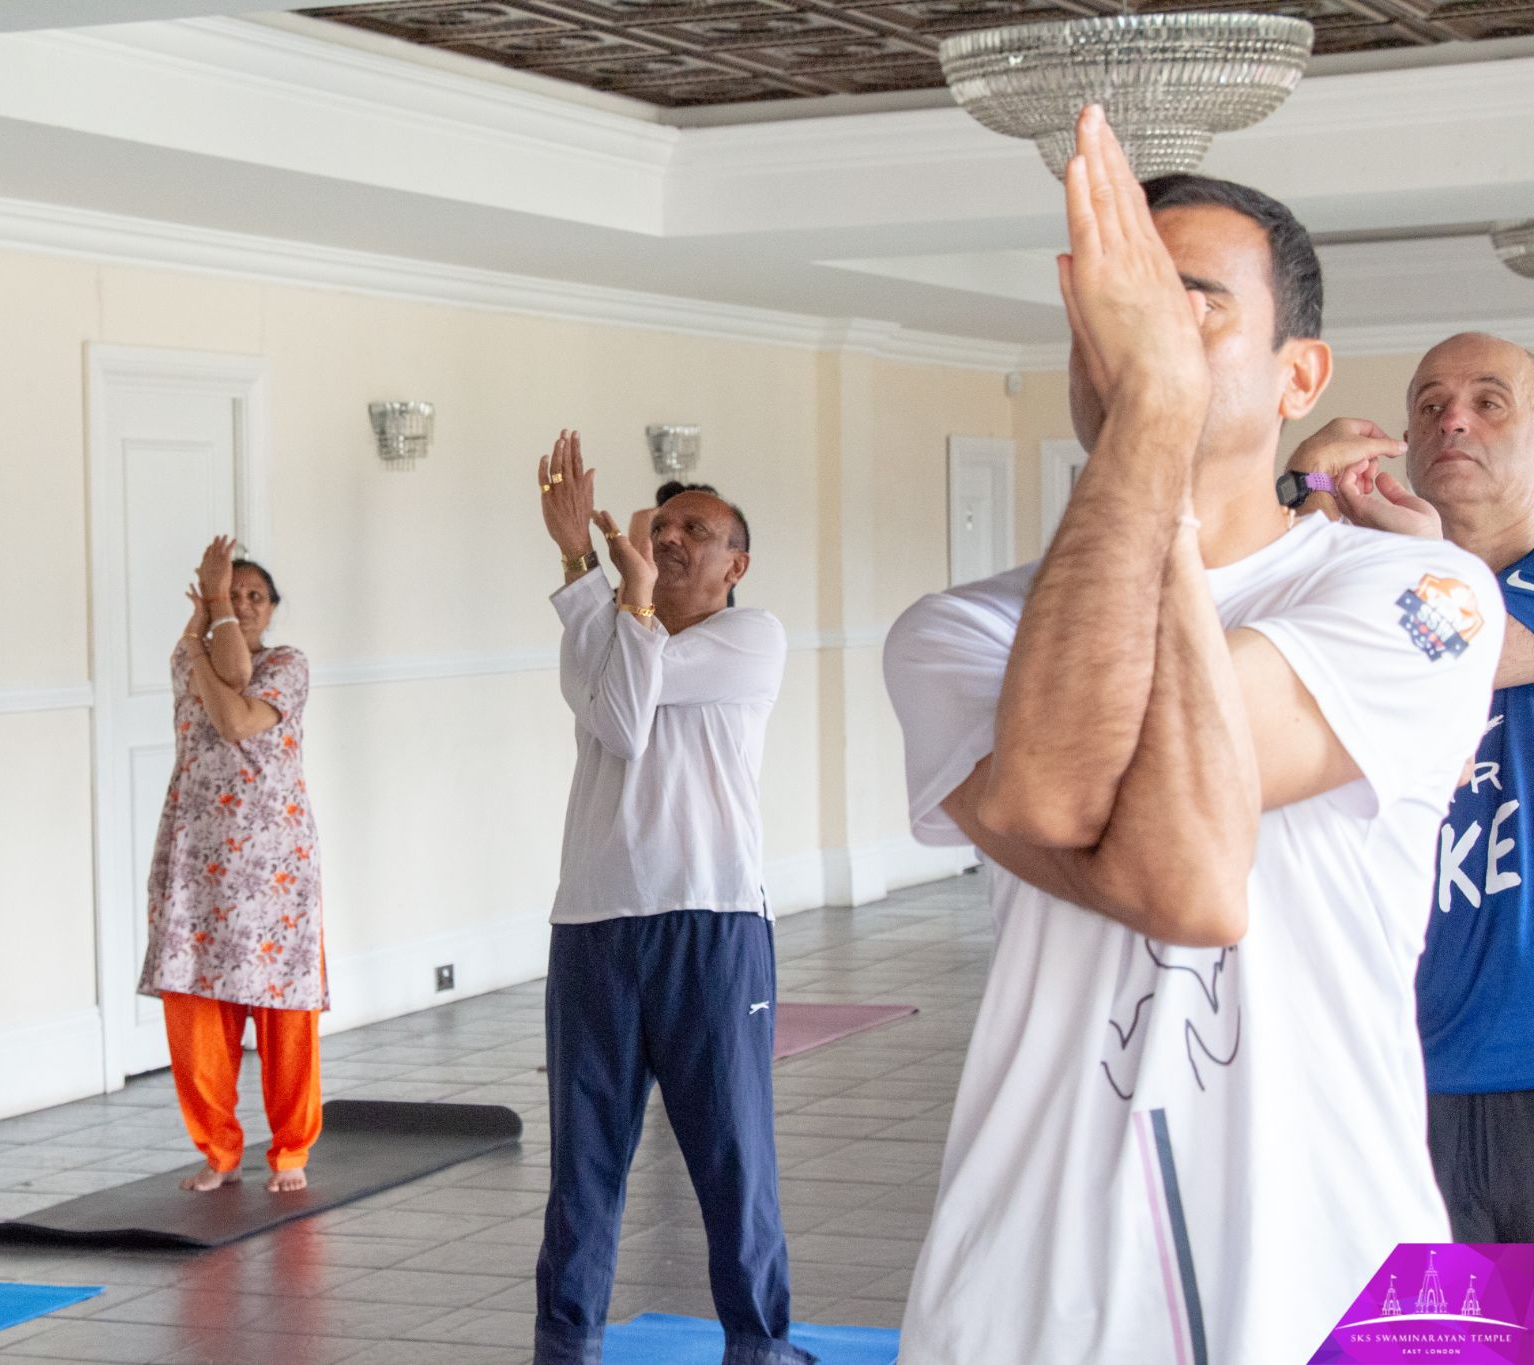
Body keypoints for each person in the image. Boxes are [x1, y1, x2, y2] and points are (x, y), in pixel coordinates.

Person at [882, 110, 1501, 1364]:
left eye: (1191, 306)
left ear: (1298, 377)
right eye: (1115, 309)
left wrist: (1149, 425)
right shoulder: (952, 633)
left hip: (1349, 1261)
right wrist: (1155, 431)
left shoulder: (1424, 596)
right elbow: (1073, 806)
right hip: (1029, 1280)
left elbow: (1183, 876)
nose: (1136, 339)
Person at [531, 432, 810, 1365]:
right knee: (583, 1167)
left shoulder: (751, 638)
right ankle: (566, 1345)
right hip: (594, 925)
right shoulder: (620, 630)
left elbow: (618, 709)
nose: (676, 535)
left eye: (699, 528)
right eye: (666, 523)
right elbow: (616, 694)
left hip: (711, 920)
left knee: (734, 1160)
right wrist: (577, 559)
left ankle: (759, 1346)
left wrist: (617, 595)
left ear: (737, 563)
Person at [1285, 333, 1534, 1241]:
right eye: (1429, 405)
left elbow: (1471, 642)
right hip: (1387, 1064)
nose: (1453, 419)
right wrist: (1304, 499)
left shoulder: (1413, 588)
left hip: (1522, 1053)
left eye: (1489, 401)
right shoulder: (1378, 579)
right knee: (1433, 1340)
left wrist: (1378, 548)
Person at [139, 534, 325, 1195]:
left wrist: (206, 619)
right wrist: (200, 632)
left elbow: (238, 710)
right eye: (231, 592)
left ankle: (291, 1149)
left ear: (272, 608)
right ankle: (217, 1151)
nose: (242, 605)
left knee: (283, 1014)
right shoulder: (187, 656)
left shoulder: (288, 663)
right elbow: (225, 669)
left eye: (253, 596)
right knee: (195, 1009)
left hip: (271, 859)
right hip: (196, 854)